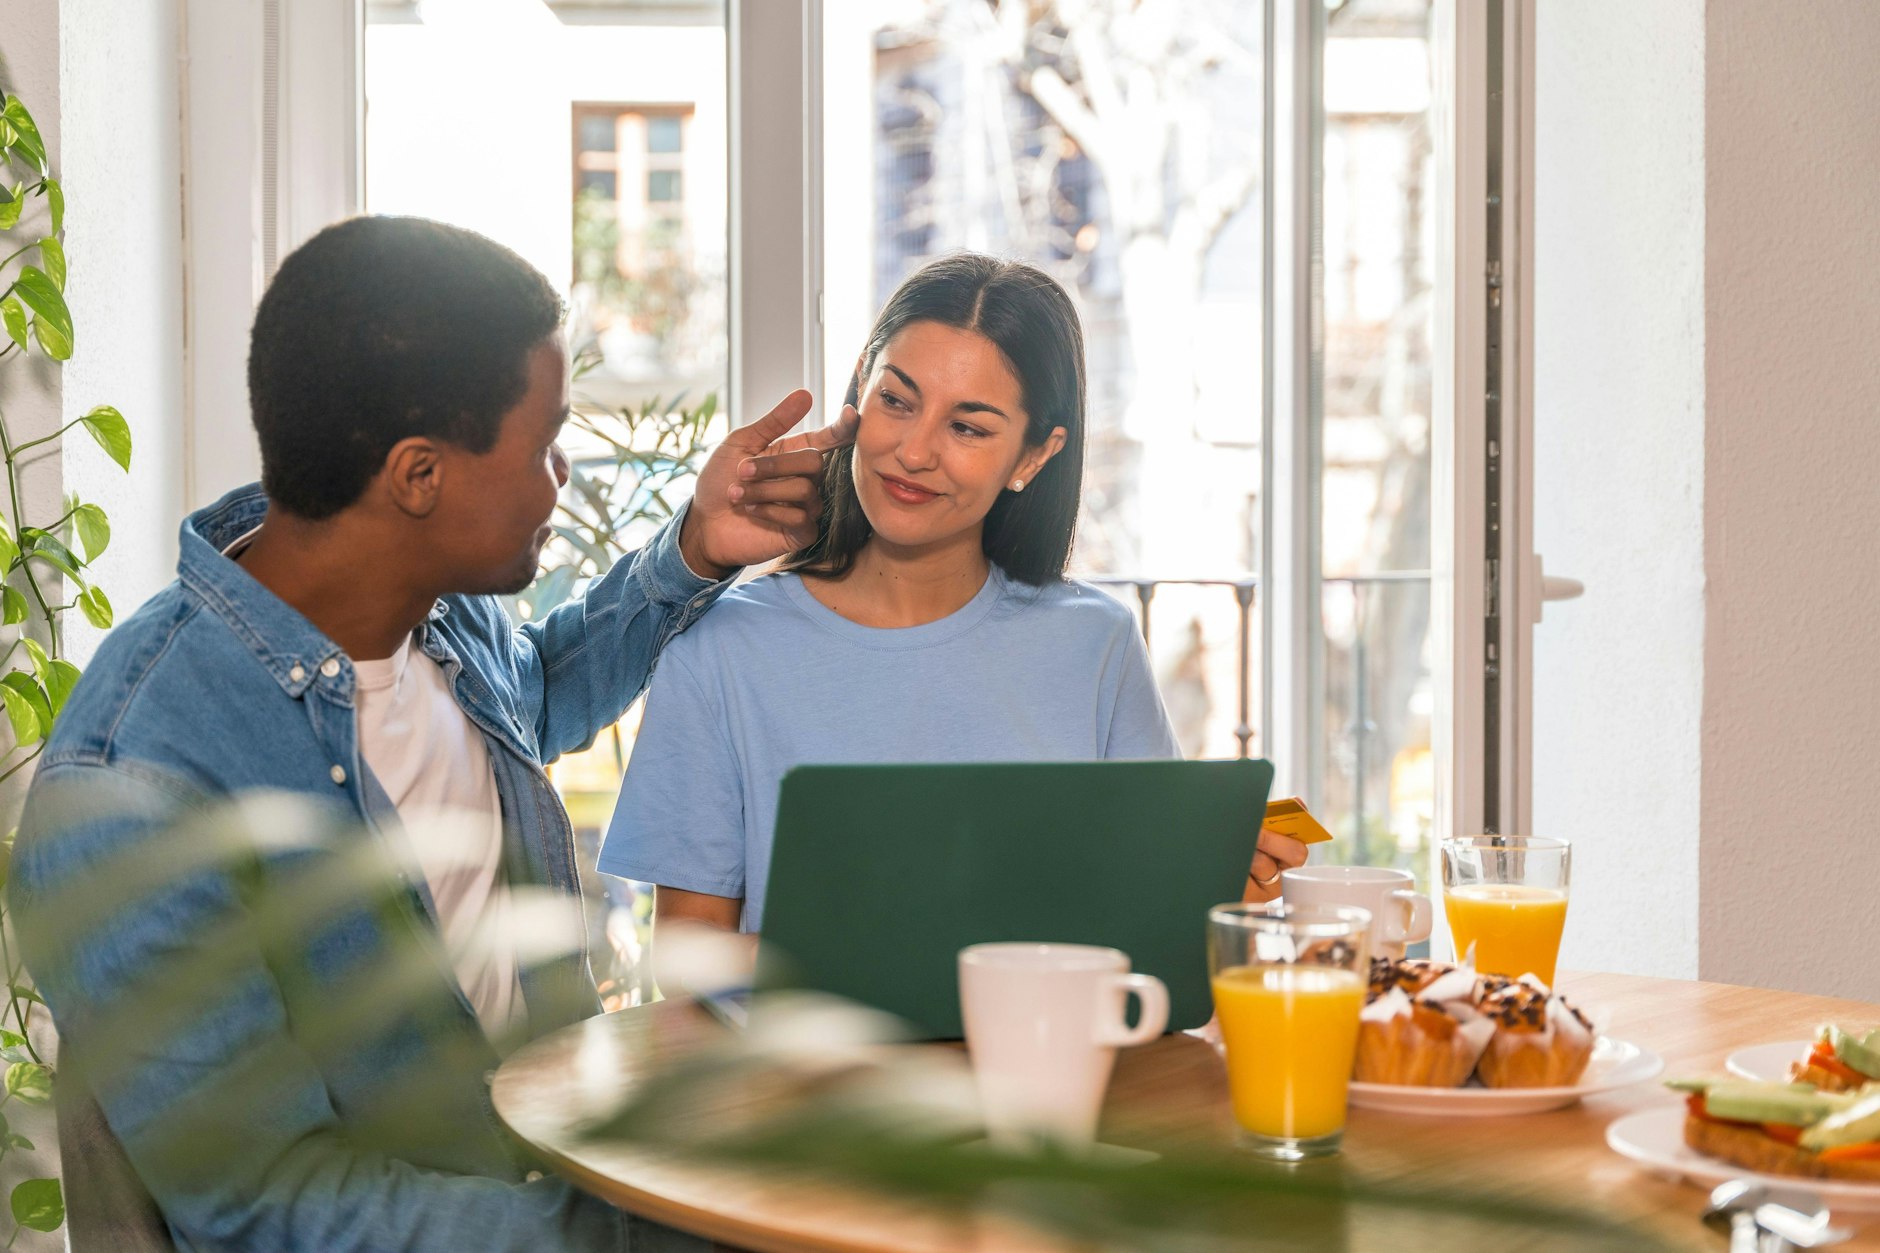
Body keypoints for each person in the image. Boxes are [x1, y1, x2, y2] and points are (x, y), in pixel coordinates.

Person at [8, 215, 854, 1251]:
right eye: (546, 445)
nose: (566, 477)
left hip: (551, 1167)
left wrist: (694, 550)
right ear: (418, 475)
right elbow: (265, 1205)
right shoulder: (134, 790)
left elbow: (532, 697)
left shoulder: (432, 612)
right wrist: (629, 1233)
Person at [598, 254, 1306, 935]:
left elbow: (1142, 923)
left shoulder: (1097, 644)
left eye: (967, 426)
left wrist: (1208, 890)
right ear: (859, 391)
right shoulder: (721, 652)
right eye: (897, 400)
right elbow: (692, 964)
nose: (914, 451)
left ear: (1034, 455)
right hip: (811, 1064)